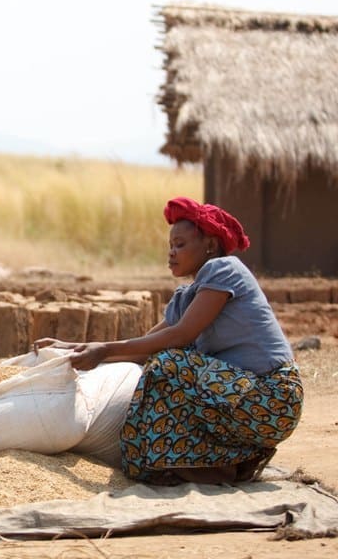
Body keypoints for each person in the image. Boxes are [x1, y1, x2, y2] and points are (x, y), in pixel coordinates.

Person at [37, 196, 302, 484]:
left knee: (168, 363)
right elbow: (144, 344)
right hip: (238, 399)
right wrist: (76, 349)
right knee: (141, 451)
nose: (172, 253)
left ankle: (220, 462)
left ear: (210, 245)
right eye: (170, 246)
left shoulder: (225, 269)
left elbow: (179, 336)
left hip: (273, 398)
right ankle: (225, 464)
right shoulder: (189, 295)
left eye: (180, 245)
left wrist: (103, 351)